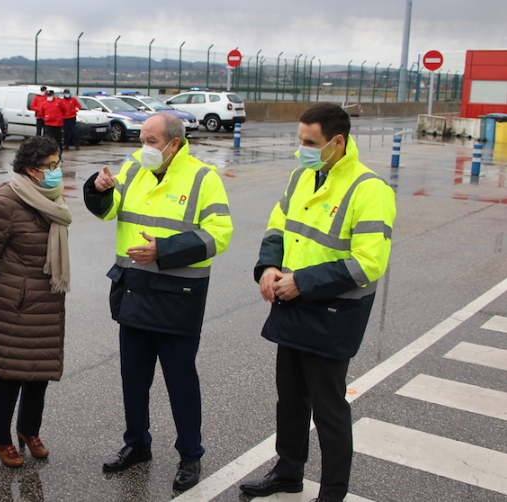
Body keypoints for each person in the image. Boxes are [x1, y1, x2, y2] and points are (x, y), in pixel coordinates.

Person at [239, 103, 396, 502]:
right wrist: (269, 267)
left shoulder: (369, 189)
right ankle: (288, 472)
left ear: (337, 142)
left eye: (310, 143)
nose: (302, 149)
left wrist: (303, 283)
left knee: (329, 409)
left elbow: (368, 262)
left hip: (333, 312)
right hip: (293, 301)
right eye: (300, 141)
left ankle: (333, 492)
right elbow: (278, 224)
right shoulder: (302, 176)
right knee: (290, 401)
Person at [83, 113, 233, 492]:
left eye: (151, 140)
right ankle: (136, 444)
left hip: (178, 297)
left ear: (175, 144)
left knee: (181, 382)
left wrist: (163, 250)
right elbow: (109, 210)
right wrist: (98, 188)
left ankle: (190, 455)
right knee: (133, 379)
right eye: (142, 138)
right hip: (134, 289)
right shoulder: (133, 167)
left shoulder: (202, 177)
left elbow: (219, 235)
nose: (143, 146)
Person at [0, 136, 72, 468]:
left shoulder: (52, 197)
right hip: (16, 302)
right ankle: (0, 437)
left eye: (58, 164)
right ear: (31, 170)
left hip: (48, 299)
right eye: (51, 166)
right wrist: (6, 289)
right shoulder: (7, 201)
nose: (58, 171)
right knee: (10, 372)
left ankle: (29, 430)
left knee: (38, 370)